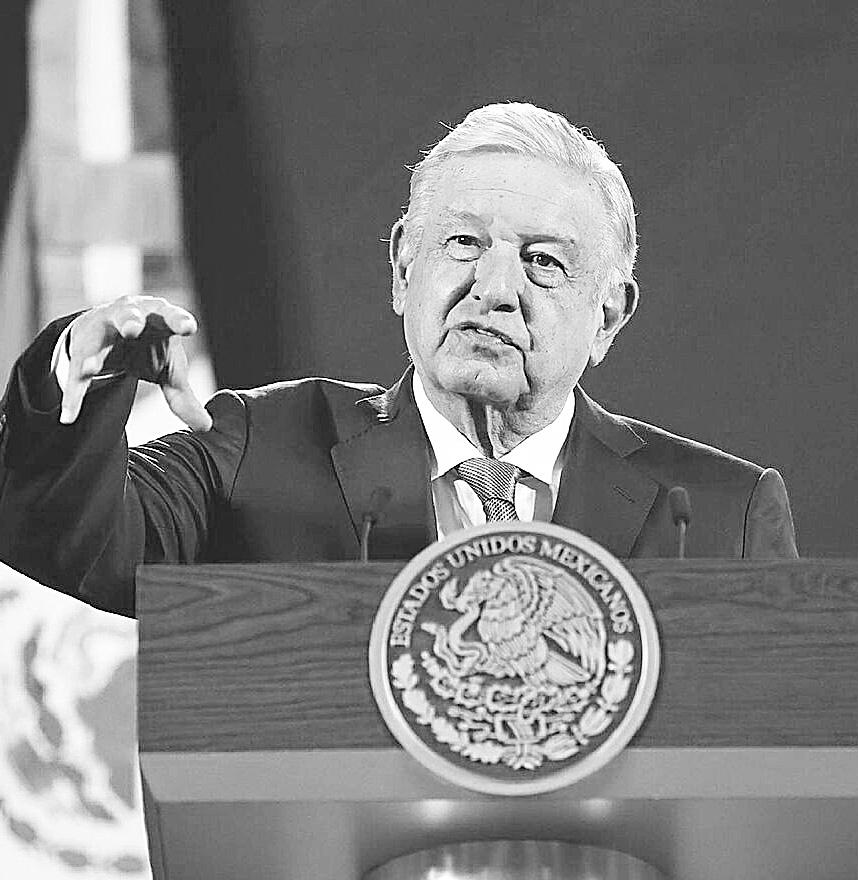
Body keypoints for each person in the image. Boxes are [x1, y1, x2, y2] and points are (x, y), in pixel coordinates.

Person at [0, 102, 797, 617]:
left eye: (544, 262)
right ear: (402, 269)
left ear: (609, 316)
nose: (494, 289)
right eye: (464, 243)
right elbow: (69, 544)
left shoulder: (721, 515)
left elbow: (787, 744)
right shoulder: (258, 447)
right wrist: (82, 372)